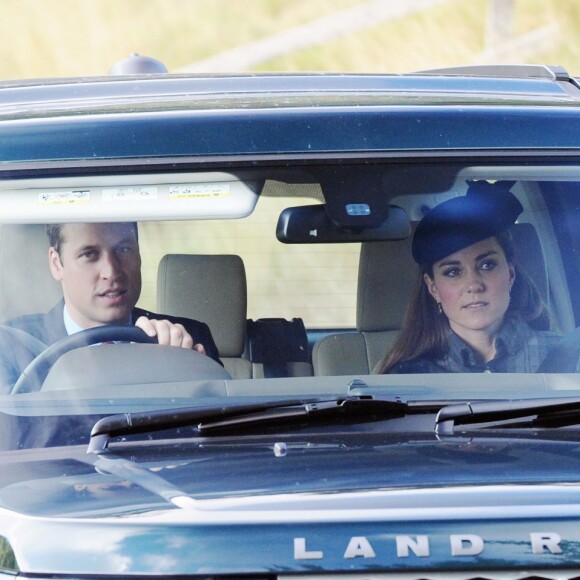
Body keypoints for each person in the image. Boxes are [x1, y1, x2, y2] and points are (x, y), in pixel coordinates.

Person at [376, 181, 567, 374]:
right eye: (453, 272)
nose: (474, 285)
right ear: (433, 287)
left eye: (487, 265)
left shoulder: (569, 357)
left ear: (510, 274)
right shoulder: (408, 377)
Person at [1, 222, 221, 389]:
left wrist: (185, 371)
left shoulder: (188, 338)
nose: (112, 272)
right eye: (89, 254)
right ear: (57, 264)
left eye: (124, 250)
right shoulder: (11, 345)